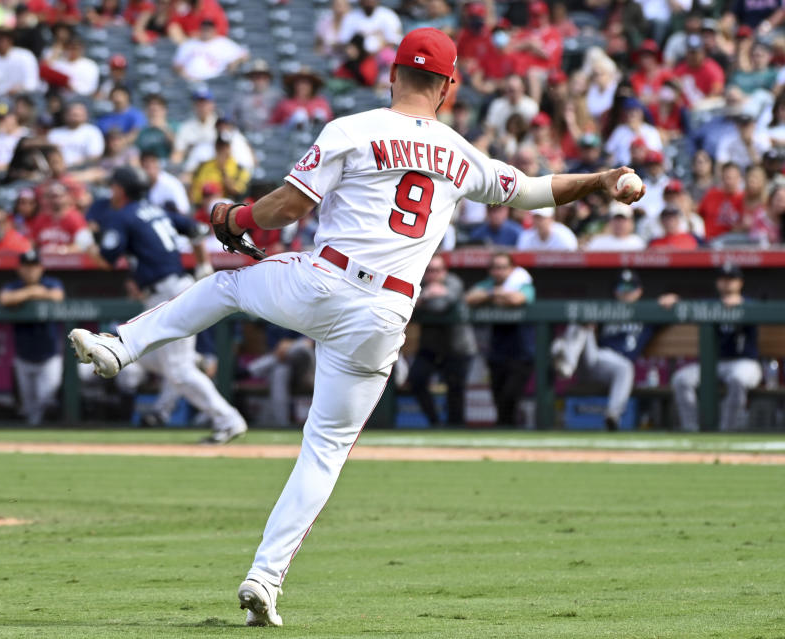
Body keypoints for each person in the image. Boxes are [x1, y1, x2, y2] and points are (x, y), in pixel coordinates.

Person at [67, 28, 644, 626]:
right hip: (386, 314)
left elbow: (287, 209)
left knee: (228, 284)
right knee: (325, 450)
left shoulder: (353, 129)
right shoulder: (460, 153)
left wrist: (234, 215)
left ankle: (119, 346)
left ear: (392, 75)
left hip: (326, 279)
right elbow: (532, 191)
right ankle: (264, 578)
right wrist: (602, 179)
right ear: (448, 87)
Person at [84, 167, 248, 443]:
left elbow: (107, 259)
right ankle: (194, 362)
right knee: (143, 355)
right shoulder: (155, 210)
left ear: (121, 190)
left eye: (113, 187)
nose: (111, 191)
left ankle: (229, 420)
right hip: (172, 289)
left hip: (167, 292)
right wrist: (203, 265)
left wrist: (87, 244)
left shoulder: (121, 215)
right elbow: (196, 229)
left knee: (178, 370)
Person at [551, 269, 656, 430]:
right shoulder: (606, 309)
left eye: (631, 288)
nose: (626, 292)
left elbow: (671, 308)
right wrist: (589, 323)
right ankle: (567, 363)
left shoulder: (649, 312)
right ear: (615, 291)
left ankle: (612, 416)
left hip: (618, 364)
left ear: (639, 291)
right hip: (594, 358)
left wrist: (670, 299)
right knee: (582, 320)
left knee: (625, 367)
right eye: (622, 288)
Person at [662, 263, 761, 432]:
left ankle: (727, 431)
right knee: (681, 379)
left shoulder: (751, 304)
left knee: (738, 379)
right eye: (723, 279)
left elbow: (762, 310)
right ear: (717, 282)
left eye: (731, 279)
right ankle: (691, 429)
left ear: (740, 283)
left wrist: (740, 305)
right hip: (711, 363)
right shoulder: (708, 304)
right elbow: (687, 308)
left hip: (744, 362)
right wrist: (675, 301)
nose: (727, 283)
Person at [466, 252, 536, 428]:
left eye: (503, 267)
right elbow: (469, 298)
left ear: (511, 269)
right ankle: (504, 430)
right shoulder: (489, 285)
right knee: (498, 395)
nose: (499, 272)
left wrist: (495, 296)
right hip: (497, 350)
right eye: (495, 268)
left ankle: (513, 427)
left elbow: (518, 299)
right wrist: (494, 293)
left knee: (510, 394)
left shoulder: (522, 283)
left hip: (522, 350)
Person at [0, 250, 65, 425]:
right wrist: (33, 291)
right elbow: (4, 299)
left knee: (46, 401)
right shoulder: (14, 286)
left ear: (41, 268)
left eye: (34, 267)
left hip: (49, 356)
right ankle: (31, 443)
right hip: (24, 357)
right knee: (29, 409)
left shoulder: (51, 282)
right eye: (26, 267)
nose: (30, 271)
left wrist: (27, 295)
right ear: (20, 269)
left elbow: (58, 296)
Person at [408, 254, 470, 426]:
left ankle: (455, 428)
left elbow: (440, 306)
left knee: (455, 390)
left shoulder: (453, 282)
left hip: (457, 346)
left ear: (445, 271)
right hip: (430, 347)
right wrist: (427, 295)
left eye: (437, 270)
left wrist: (421, 300)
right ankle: (434, 422)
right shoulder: (421, 285)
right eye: (429, 271)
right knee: (416, 379)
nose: (433, 274)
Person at [48, 102, 105, 169]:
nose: (75, 117)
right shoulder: (54, 133)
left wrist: (75, 165)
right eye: (72, 114)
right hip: (56, 170)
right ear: (65, 115)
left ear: (85, 115)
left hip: (83, 169)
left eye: (78, 115)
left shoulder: (93, 131)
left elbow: (95, 156)